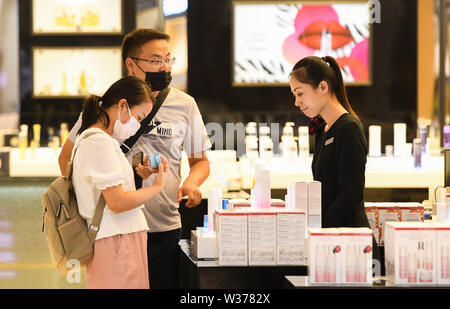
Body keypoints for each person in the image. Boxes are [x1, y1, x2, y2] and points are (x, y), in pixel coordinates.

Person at [59, 29, 211, 288]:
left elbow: (201, 162)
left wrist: (191, 183)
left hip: (164, 226)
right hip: (113, 232)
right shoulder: (107, 105)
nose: (163, 67)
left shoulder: (185, 105)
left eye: (168, 59)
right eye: (155, 60)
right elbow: (67, 162)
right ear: (131, 64)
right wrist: (98, 202)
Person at [71, 76, 170, 289]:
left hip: (117, 239)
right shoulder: (98, 142)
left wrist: (136, 173)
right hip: (117, 241)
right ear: (123, 105)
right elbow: (117, 202)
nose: (138, 125)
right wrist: (157, 187)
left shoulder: (99, 140)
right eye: (139, 117)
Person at [289, 55, 381, 263]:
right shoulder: (323, 129)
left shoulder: (348, 127)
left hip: (353, 244)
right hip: (332, 240)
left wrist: (320, 228)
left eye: (300, 93)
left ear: (323, 87)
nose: (297, 102)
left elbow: (351, 192)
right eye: (294, 95)